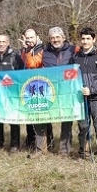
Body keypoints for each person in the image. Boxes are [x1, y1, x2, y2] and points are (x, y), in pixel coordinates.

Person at [29, 27, 79, 158]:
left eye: (58, 37)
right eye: (52, 38)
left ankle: (64, 150)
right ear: (49, 39)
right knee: (40, 117)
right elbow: (31, 63)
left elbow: (86, 56)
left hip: (67, 91)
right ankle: (40, 149)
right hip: (48, 91)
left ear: (63, 37)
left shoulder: (74, 49)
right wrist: (27, 51)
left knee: (66, 119)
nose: (55, 40)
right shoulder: (44, 52)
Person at [74, 27, 97, 159]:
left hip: (96, 98)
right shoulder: (76, 57)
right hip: (80, 99)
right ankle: (83, 152)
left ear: (94, 39)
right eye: (83, 38)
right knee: (83, 126)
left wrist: (92, 90)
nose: (85, 41)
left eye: (88, 38)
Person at [20, 28, 46, 149]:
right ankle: (30, 141)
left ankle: (43, 145)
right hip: (28, 86)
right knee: (29, 114)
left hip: (41, 86)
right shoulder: (23, 50)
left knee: (41, 116)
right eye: (27, 37)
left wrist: (28, 51)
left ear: (37, 37)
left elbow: (33, 64)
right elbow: (22, 66)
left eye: (31, 37)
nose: (29, 40)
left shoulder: (43, 50)